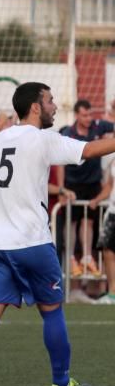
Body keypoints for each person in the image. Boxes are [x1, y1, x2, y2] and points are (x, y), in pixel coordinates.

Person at [0, 82, 115, 386]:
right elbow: (88, 151)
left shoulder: (0, 139)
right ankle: (61, 384)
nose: (54, 105)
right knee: (52, 312)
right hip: (31, 241)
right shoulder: (45, 139)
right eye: (49, 100)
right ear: (35, 106)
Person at [58, 99, 114, 282]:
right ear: (76, 115)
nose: (88, 118)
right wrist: (62, 188)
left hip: (93, 184)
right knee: (71, 222)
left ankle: (87, 257)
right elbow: (60, 162)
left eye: (90, 114)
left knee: (88, 221)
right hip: (73, 184)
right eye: (84, 115)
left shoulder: (98, 127)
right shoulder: (68, 133)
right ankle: (73, 259)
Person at [89, 156, 115, 304]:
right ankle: (112, 293)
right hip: (112, 210)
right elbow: (109, 186)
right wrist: (97, 199)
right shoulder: (113, 159)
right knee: (107, 250)